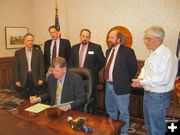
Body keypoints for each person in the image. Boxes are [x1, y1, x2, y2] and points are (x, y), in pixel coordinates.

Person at [132, 26, 178, 135]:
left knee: (157, 129)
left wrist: (142, 82)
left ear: (159, 40)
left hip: (158, 97)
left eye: (148, 39)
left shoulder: (167, 55)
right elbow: (144, 69)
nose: (145, 41)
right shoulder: (153, 53)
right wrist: (139, 79)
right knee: (149, 126)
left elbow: (163, 79)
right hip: (149, 94)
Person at [105, 30, 137, 135]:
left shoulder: (128, 51)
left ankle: (123, 133)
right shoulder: (108, 51)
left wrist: (125, 82)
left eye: (112, 37)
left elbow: (133, 69)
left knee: (123, 113)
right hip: (108, 85)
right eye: (109, 37)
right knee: (110, 110)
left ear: (119, 39)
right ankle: (114, 131)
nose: (109, 39)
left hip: (121, 87)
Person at [69, 28, 105, 113]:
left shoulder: (96, 47)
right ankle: (78, 113)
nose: (85, 38)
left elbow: (102, 61)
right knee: (78, 97)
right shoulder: (74, 47)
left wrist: (94, 71)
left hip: (91, 78)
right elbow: (70, 62)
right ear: (80, 36)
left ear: (90, 38)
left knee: (91, 98)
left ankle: (93, 116)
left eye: (87, 37)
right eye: (83, 36)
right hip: (76, 78)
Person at [13, 33, 45, 98]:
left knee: (35, 98)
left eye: (32, 40)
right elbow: (15, 68)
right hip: (23, 79)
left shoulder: (38, 52)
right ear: (24, 41)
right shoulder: (18, 53)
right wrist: (16, 80)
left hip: (35, 79)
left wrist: (41, 78)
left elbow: (42, 66)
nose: (30, 42)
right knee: (23, 99)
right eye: (28, 40)